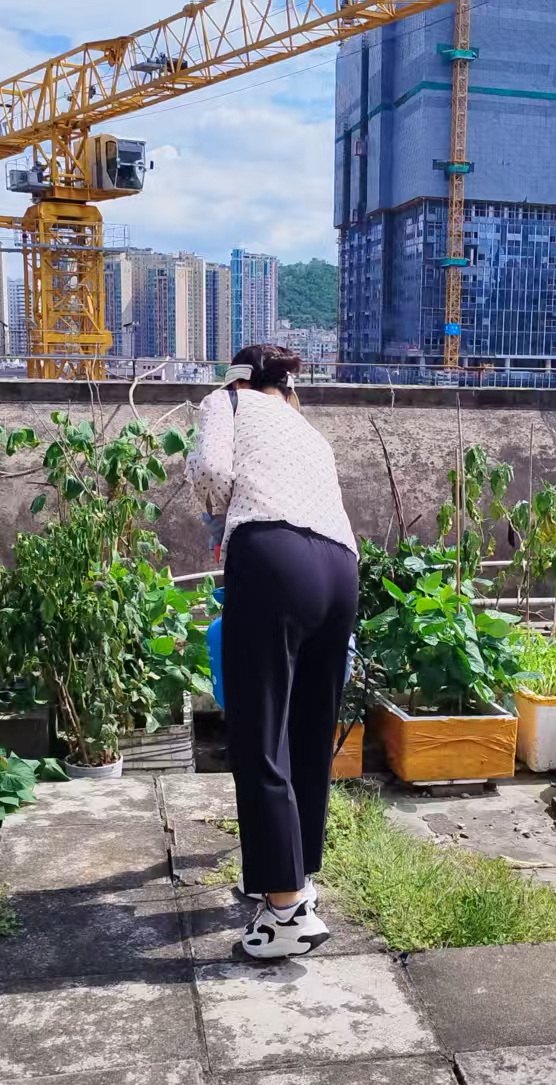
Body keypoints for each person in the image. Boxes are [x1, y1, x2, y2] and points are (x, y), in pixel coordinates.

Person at [188, 344, 358, 961]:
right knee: (308, 730)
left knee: (260, 731)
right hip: (340, 568)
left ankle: (285, 911)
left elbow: (210, 472)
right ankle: (293, 877)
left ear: (238, 379)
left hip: (273, 556)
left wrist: (217, 519)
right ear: (290, 388)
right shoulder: (309, 431)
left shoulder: (226, 402)